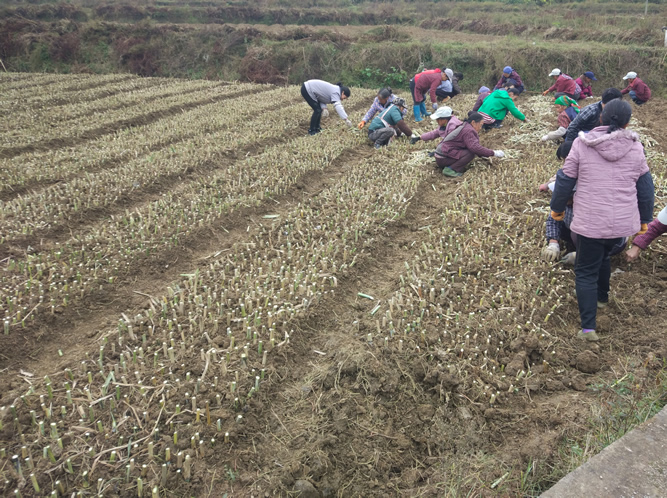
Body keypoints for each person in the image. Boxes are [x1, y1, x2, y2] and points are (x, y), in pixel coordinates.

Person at [550, 100, 654, 341]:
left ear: (600, 118)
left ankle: (588, 329)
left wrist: (557, 210)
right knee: (604, 256)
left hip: (590, 221)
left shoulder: (582, 144)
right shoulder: (636, 147)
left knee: (585, 271)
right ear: (627, 123)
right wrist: (644, 220)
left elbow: (565, 180)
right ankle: (602, 299)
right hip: (620, 225)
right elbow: (646, 188)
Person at [541, 142, 626, 263]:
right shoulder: (566, 191)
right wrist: (553, 243)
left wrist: (583, 256)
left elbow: (615, 242)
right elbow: (553, 218)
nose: (565, 200)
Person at [432, 112, 504, 177]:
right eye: (480, 125)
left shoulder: (465, 126)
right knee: (470, 153)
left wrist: (483, 154)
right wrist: (494, 153)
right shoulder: (468, 130)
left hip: (440, 156)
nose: (481, 128)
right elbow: (475, 148)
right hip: (443, 157)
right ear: (473, 122)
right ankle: (450, 169)